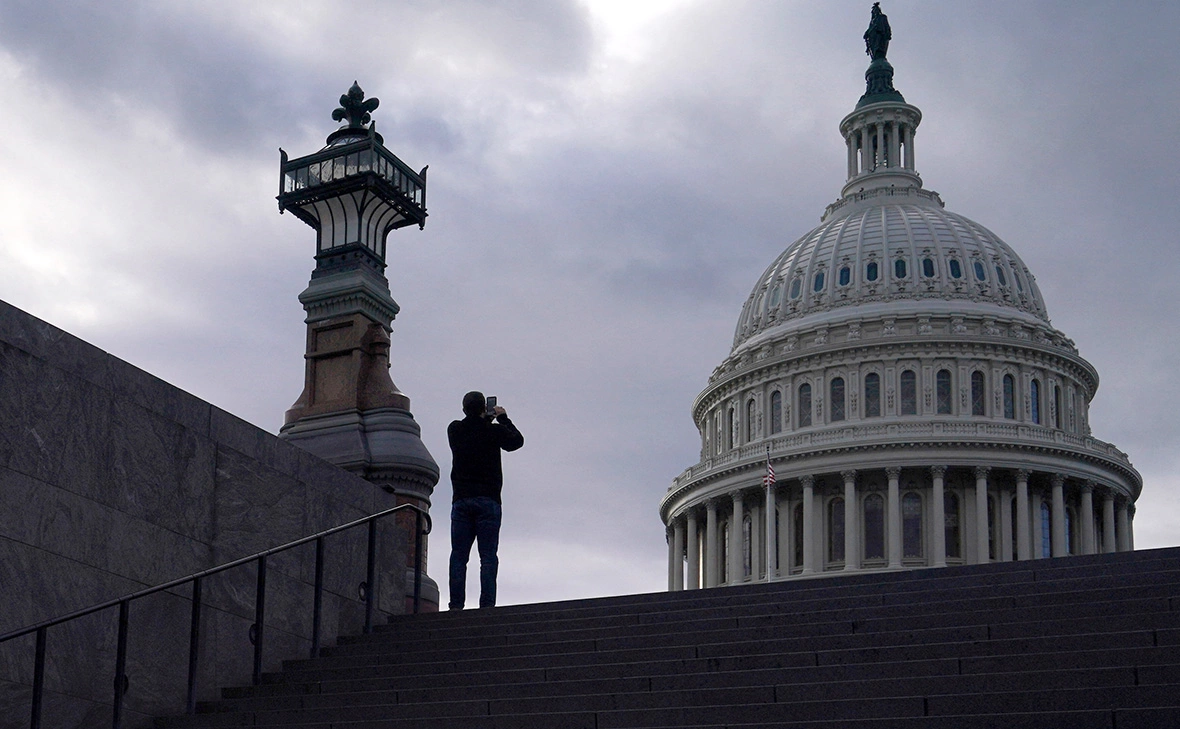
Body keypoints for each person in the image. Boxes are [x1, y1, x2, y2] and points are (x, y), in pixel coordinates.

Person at [447, 391, 524, 609]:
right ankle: (487, 606)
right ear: (484, 408)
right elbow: (517, 441)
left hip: (461, 501)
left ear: (463, 409)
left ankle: (455, 605)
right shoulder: (494, 431)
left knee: (459, 556)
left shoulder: (455, 429)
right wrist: (502, 417)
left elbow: (472, 429)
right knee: (488, 557)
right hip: (488, 501)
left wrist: (483, 418)